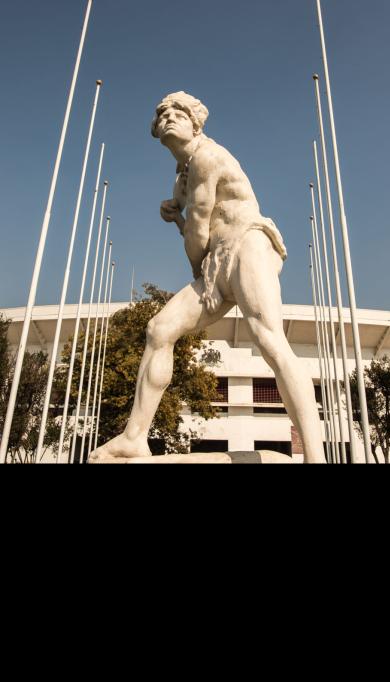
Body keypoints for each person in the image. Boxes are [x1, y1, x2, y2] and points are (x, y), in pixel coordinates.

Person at [91, 91, 324, 462]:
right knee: (159, 329)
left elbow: (198, 227)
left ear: (195, 121)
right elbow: (184, 210)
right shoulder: (181, 178)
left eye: (177, 113)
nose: (168, 117)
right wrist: (174, 212)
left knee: (271, 342)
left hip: (247, 245)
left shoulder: (208, 157)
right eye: (162, 114)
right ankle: (134, 437)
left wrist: (196, 266)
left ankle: (315, 456)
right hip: (215, 264)